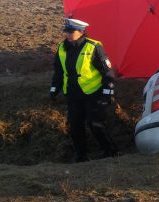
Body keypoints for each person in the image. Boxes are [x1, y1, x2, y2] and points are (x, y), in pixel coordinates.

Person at [50, 18, 118, 162]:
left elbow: (107, 72)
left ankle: (111, 152)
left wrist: (108, 92)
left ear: (81, 32)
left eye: (71, 31)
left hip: (93, 93)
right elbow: (58, 71)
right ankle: (81, 156)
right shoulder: (62, 48)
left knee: (95, 124)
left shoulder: (93, 46)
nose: (68, 34)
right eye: (66, 31)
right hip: (73, 94)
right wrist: (54, 89)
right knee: (75, 126)